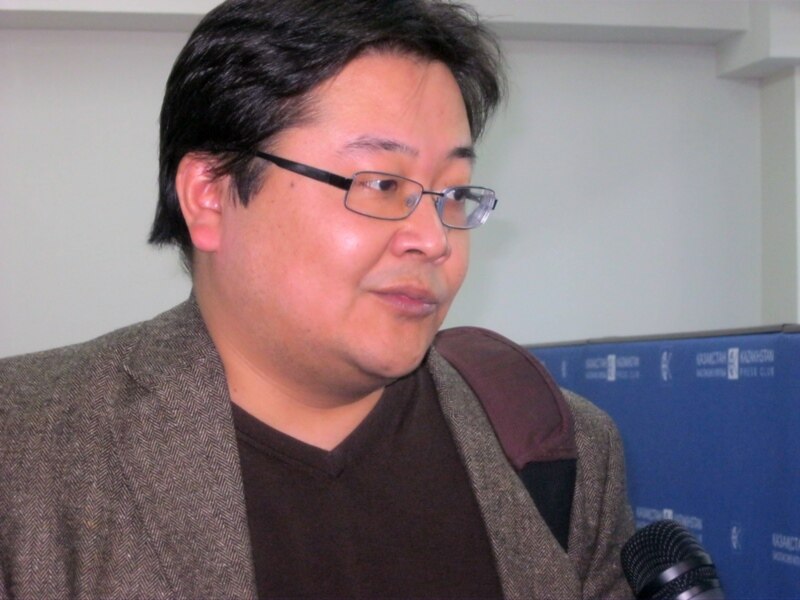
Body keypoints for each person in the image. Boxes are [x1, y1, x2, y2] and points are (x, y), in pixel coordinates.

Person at [0, 0, 635, 598]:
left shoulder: (562, 449)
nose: (434, 239)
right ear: (210, 194)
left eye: (453, 193)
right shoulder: (25, 448)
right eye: (382, 184)